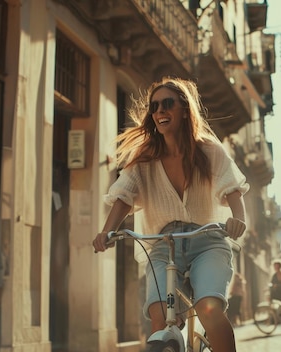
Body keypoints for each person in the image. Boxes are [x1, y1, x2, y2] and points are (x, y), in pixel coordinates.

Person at [92, 77, 248, 352]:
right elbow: (124, 197)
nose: (160, 111)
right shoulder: (143, 158)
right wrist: (107, 231)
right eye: (154, 107)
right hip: (165, 246)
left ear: (185, 109)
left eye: (168, 104)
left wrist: (238, 218)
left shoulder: (209, 150)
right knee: (159, 314)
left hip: (208, 242)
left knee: (208, 309)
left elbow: (232, 188)